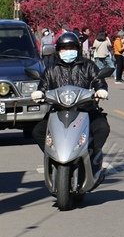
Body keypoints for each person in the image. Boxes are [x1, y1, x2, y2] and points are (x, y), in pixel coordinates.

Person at [31, 32, 110, 170]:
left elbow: (98, 79)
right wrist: (39, 93)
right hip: (58, 111)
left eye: (71, 48)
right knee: (38, 131)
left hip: (86, 110)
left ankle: (92, 158)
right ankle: (53, 158)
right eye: (64, 48)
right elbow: (43, 85)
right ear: (58, 50)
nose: (68, 51)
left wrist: (101, 89)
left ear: (77, 49)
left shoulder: (88, 66)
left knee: (102, 128)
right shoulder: (51, 69)